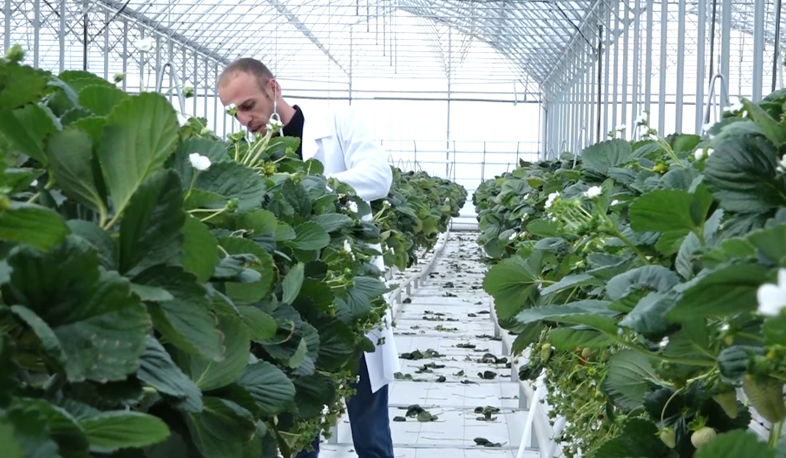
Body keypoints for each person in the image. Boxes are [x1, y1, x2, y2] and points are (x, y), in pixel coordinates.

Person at [217, 58, 399, 458]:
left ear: (272, 88)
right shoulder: (250, 158)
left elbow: (378, 176)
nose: (244, 119)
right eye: (234, 113)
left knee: (369, 430)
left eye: (248, 105)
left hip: (351, 291)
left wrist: (308, 184)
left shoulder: (337, 121)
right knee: (300, 433)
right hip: (297, 306)